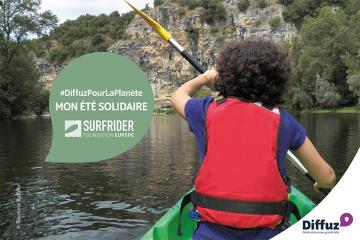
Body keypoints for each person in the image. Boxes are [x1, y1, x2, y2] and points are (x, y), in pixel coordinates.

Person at [171, 40, 336, 240]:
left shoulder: (205, 110)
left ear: (226, 76)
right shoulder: (284, 121)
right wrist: (320, 183)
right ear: (277, 80)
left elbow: (178, 96)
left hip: (210, 232)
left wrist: (206, 78)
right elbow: (327, 176)